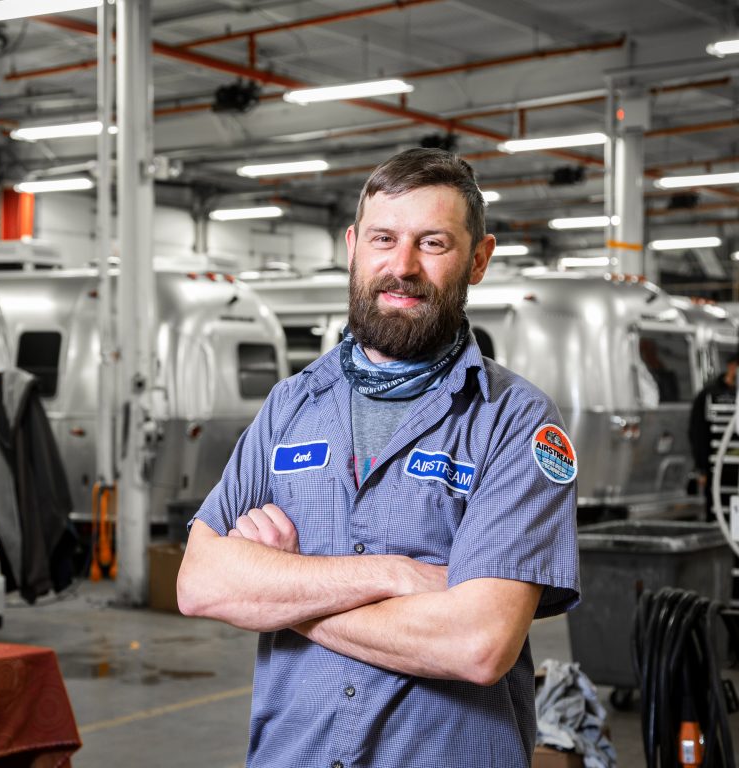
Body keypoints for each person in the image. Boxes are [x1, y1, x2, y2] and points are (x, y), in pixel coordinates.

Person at [177, 147, 580, 768]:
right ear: (353, 247)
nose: (402, 265)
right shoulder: (291, 406)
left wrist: (285, 594)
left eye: (433, 243)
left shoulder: (516, 420)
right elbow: (201, 583)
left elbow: (478, 643)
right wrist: (391, 574)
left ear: (478, 259)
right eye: (383, 238)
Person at [688, 354, 739, 519]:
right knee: (717, 510)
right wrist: (701, 467)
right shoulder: (709, 394)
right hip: (717, 465)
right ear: (732, 366)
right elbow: (698, 432)